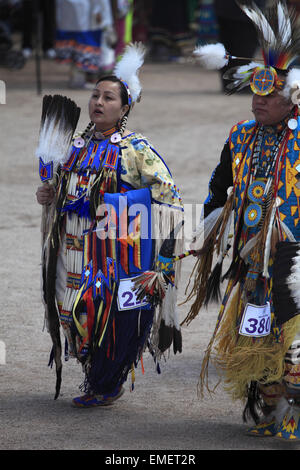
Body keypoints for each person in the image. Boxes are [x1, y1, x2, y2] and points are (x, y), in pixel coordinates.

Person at [36, 43, 184, 407]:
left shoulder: (135, 150)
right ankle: (97, 377)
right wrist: (50, 193)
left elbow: (169, 197)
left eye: (108, 97)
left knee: (105, 317)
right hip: (72, 251)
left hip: (113, 254)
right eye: (95, 95)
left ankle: (105, 382)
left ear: (124, 107)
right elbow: (64, 188)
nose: (98, 102)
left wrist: (124, 209)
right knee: (72, 314)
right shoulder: (74, 146)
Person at [185, 1, 300, 439]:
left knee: (294, 342)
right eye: (254, 93)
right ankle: (272, 413)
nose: (258, 102)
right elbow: (219, 184)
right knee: (259, 337)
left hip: (295, 259)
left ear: (292, 99)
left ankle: (294, 416)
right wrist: (208, 224)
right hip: (252, 258)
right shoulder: (240, 135)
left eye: (269, 96)